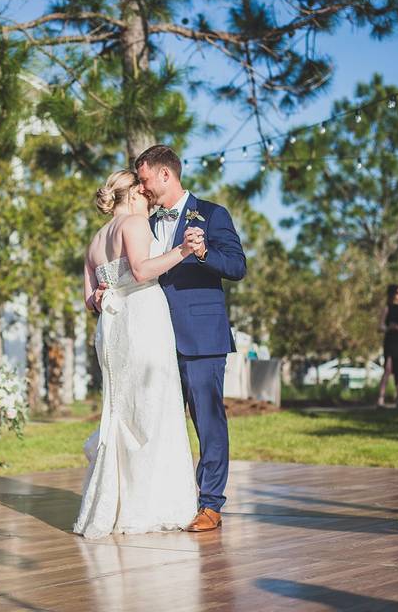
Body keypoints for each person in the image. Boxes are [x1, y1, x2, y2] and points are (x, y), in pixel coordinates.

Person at [76, 168, 202, 539]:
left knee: (121, 408)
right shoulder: (133, 224)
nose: (149, 200)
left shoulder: (94, 241)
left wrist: (103, 296)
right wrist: (183, 250)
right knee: (152, 407)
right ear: (132, 195)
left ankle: (115, 505)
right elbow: (142, 270)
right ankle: (149, 505)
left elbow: (90, 299)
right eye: (145, 195)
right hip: (143, 318)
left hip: (112, 328)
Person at [136, 144, 246, 532]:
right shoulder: (143, 224)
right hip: (156, 338)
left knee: (207, 421)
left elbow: (236, 265)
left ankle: (211, 504)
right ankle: (167, 499)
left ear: (166, 174)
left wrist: (203, 253)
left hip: (202, 339)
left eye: (145, 179)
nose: (142, 187)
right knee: (158, 421)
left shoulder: (213, 214)